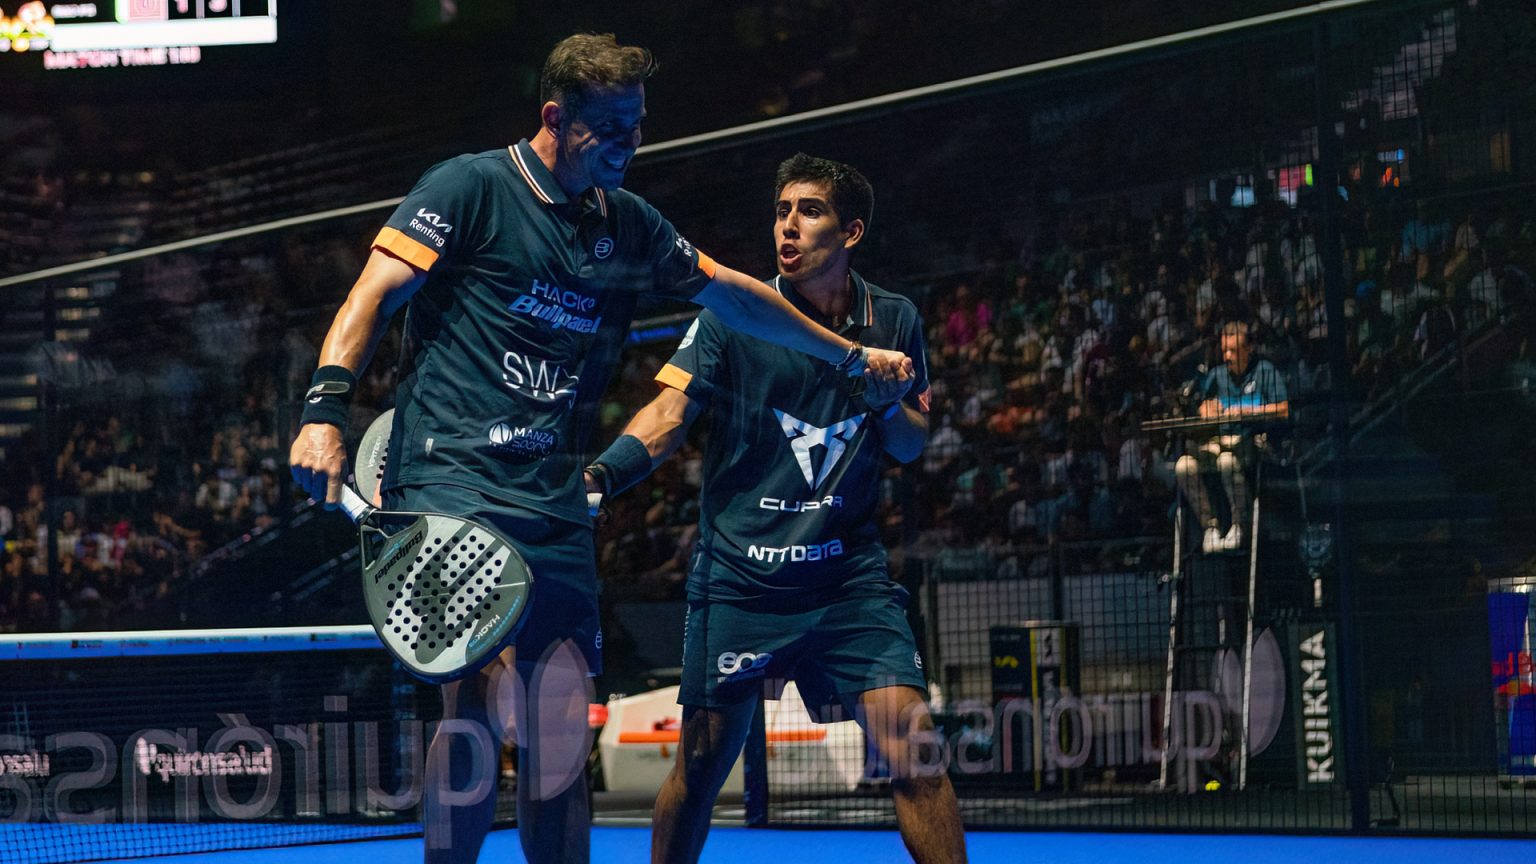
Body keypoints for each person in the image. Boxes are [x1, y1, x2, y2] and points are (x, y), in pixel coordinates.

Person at [287, 36, 912, 864]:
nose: (629, 143)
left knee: (557, 730)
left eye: (637, 125)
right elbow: (372, 294)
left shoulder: (628, 224)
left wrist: (847, 354)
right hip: (452, 479)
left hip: (551, 498)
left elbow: (734, 295)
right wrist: (324, 411)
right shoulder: (469, 186)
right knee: (473, 706)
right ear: (556, 118)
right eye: (611, 127)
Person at [587, 154, 967, 864]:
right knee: (700, 773)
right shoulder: (734, 316)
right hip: (740, 584)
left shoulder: (895, 318)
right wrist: (602, 476)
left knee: (918, 756)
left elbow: (911, 445)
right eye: (782, 210)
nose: (788, 226)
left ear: (851, 231)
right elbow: (668, 414)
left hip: (847, 584)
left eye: (810, 211)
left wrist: (888, 406)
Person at [1174, 321, 1288, 553]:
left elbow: (1283, 409)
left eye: (1233, 351)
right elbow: (1204, 406)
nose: (1227, 356)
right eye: (1225, 350)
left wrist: (1248, 412)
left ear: (1249, 349)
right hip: (1218, 443)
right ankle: (1210, 528)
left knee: (1227, 461)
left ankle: (1240, 525)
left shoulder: (1264, 371)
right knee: (1183, 466)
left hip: (1252, 443)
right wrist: (1208, 410)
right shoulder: (1216, 375)